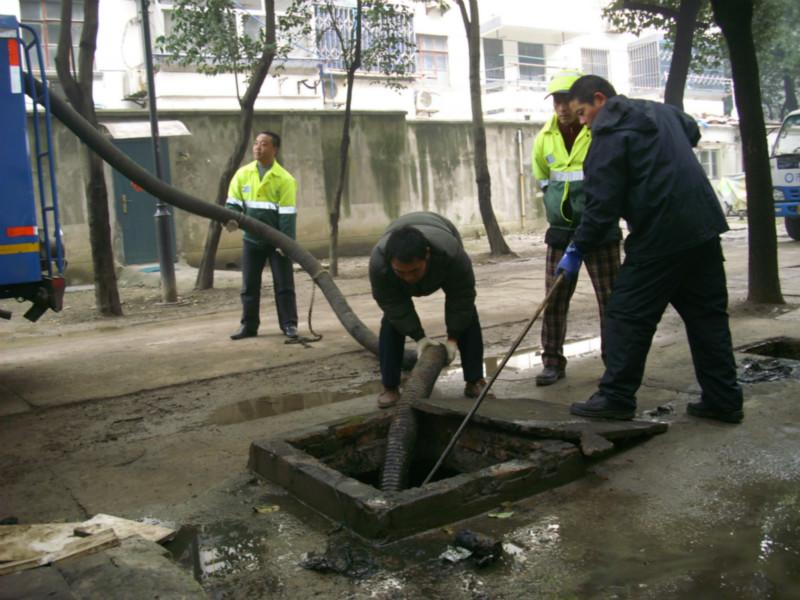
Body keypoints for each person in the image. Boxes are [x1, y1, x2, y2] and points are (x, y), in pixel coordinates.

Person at [560, 75, 744, 423]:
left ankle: (615, 397)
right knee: (708, 318)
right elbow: (692, 131)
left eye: (582, 113)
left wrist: (577, 248)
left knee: (626, 315)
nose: (583, 123)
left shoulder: (609, 136)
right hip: (703, 227)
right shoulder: (663, 112)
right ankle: (724, 399)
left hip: (661, 234)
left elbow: (601, 208)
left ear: (600, 99)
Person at [532, 70, 621, 386]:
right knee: (554, 299)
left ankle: (616, 363)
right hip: (561, 229)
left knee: (611, 299)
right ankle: (552, 361)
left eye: (567, 100)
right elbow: (544, 178)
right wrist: (558, 208)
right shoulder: (544, 137)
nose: (562, 107)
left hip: (599, 229)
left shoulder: (598, 130)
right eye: (556, 101)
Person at [369, 212, 488, 409]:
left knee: (467, 313)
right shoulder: (379, 264)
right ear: (391, 264)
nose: (408, 278)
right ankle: (390, 386)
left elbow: (461, 297)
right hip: (398, 252)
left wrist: (453, 339)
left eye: (414, 270)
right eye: (401, 272)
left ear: (427, 255)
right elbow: (393, 305)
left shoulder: (451, 254)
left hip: (442, 230)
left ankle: (475, 380)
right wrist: (419, 338)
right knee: (391, 321)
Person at [226, 131, 299, 340]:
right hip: (251, 239)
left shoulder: (285, 179)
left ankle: (289, 325)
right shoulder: (243, 174)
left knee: (283, 284)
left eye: (264, 144)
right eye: (256, 143)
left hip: (277, 241)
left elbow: (287, 215)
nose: (258, 147)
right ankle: (249, 326)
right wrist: (230, 217)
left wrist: (286, 244)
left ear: (274, 149)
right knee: (249, 285)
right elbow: (233, 203)